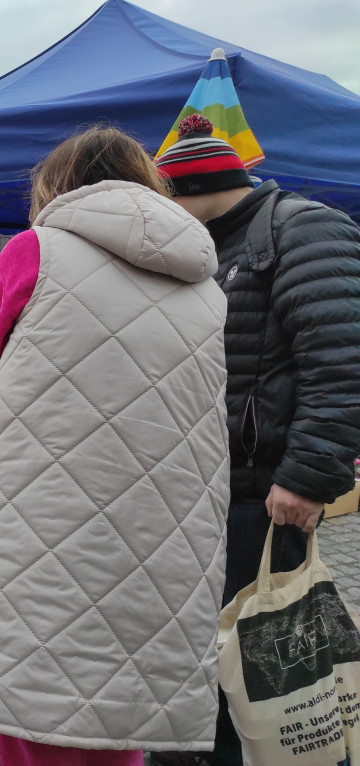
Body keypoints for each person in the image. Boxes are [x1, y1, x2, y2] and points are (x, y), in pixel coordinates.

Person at [0, 126, 231, 765]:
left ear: (54, 187)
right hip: (163, 536)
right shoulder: (206, 286)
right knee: (121, 716)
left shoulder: (32, 251)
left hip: (44, 529)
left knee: (37, 713)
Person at [155, 114, 360, 765]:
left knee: (264, 668)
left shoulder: (304, 228)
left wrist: (306, 477)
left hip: (264, 500)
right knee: (214, 664)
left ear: (186, 191)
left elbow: (344, 360)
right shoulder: (215, 245)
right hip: (207, 496)